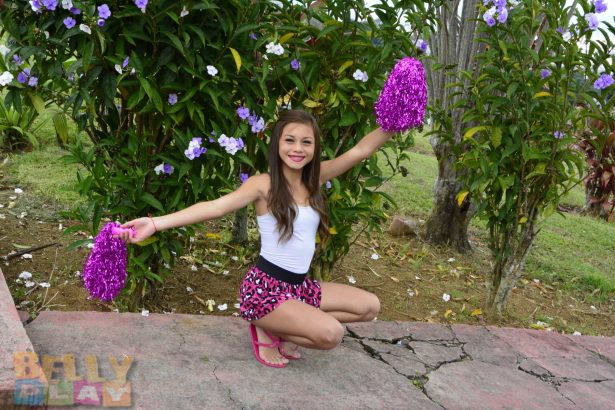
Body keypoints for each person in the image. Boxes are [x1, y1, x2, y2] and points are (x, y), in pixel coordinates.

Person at [119, 110, 396, 367]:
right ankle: (266, 324)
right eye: (289, 140)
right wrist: (154, 223)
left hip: (299, 288)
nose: (297, 149)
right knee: (331, 334)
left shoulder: (315, 177)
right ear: (277, 144)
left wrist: (399, 118)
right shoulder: (263, 184)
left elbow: (360, 150)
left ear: (315, 147)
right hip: (266, 291)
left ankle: (284, 327)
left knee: (369, 308)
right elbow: (215, 207)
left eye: (306, 142)